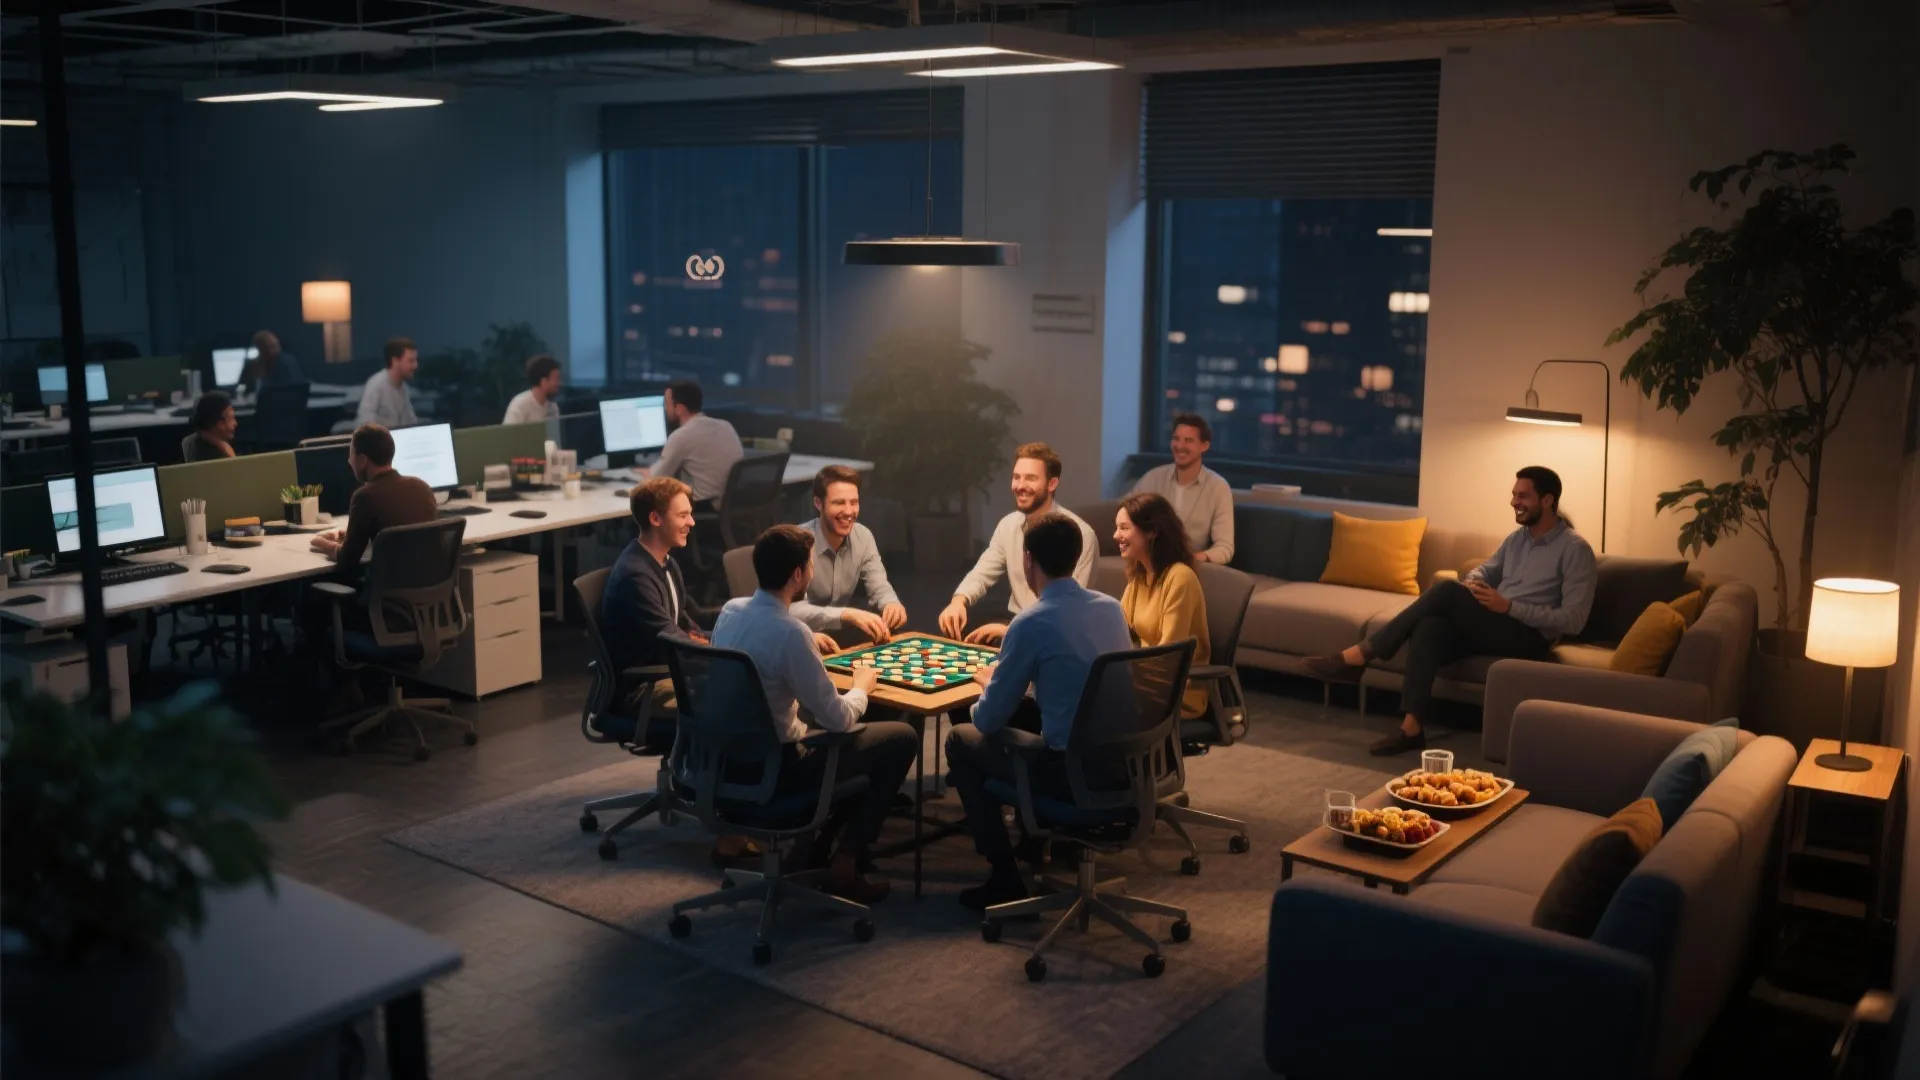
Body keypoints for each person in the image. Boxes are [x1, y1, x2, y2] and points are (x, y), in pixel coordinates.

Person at [1304, 466, 1598, 756]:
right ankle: (1411, 729)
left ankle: (1359, 656)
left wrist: (1509, 606)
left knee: (1445, 589)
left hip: (1530, 637)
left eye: (1523, 496)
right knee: (1430, 626)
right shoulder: (1517, 539)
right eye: (1513, 495)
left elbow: (1574, 621)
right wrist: (1474, 582)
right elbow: (1487, 569)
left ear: (1547, 501)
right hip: (1495, 623)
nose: (1514, 503)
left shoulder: (1575, 550)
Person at [709, 525, 917, 904]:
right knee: (899, 739)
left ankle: (815, 851)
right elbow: (838, 720)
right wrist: (862, 687)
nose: (813, 571)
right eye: (810, 564)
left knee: (843, 745)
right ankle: (845, 861)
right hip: (778, 773)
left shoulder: (729, 612)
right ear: (798, 576)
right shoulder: (791, 632)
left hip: (723, 764)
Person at [944, 513, 1134, 911]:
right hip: (1124, 765)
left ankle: (1004, 876)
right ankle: (1035, 842)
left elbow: (987, 720)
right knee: (1029, 715)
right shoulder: (1111, 609)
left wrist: (989, 685)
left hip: (1069, 775)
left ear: (1028, 560)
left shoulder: (1030, 622)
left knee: (962, 740)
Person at [938, 442, 1098, 646]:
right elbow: (982, 572)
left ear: (1052, 484)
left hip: (1059, 634)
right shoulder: (1008, 525)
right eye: (1016, 477)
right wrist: (958, 601)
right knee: (958, 636)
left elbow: (1066, 611)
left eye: (1030, 478)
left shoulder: (1081, 534)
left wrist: (1010, 630)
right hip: (1017, 622)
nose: (1020, 486)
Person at [600, 476, 711, 704]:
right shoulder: (636, 575)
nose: (692, 522)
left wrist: (729, 639)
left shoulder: (666, 562)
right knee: (735, 692)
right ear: (655, 518)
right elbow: (669, 641)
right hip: (644, 687)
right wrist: (727, 655)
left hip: (668, 672)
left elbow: (685, 625)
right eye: (682, 515)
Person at [1115, 492, 1210, 720]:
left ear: (1152, 531)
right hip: (1144, 681)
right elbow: (1117, 628)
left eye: (1124, 528)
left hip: (1176, 691)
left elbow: (1169, 656)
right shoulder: (1139, 577)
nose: (1116, 535)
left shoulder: (1180, 578)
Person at [791, 465, 907, 650]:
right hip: (798, 640)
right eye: (839, 503)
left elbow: (880, 587)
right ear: (818, 503)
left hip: (840, 640)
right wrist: (846, 614)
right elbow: (789, 610)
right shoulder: (797, 543)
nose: (848, 511)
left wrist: (891, 604)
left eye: (854, 502)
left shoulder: (864, 536)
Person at [309, 424, 439, 573]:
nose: (349, 461)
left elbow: (347, 560)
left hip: (388, 591)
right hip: (429, 587)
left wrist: (322, 543)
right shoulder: (422, 487)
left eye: (351, 455)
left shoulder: (365, 496)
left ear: (363, 460)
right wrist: (350, 536)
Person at [1131, 412, 1234, 564]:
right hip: (1148, 562)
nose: (1180, 446)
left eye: (1188, 440)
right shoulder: (1152, 478)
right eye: (1176, 439)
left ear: (1204, 446)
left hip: (1189, 569)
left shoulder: (1218, 487)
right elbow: (1125, 514)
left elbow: (1225, 548)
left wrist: (1195, 559)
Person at [641, 379, 742, 507]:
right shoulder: (726, 426)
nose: (666, 410)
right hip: (730, 503)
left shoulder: (681, 436)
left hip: (704, 506)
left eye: (667, 405)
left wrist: (644, 473)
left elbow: (654, 481)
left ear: (679, 409)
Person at [356, 337, 420, 429]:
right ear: (395, 361)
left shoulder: (404, 388)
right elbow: (365, 424)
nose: (415, 365)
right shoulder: (376, 384)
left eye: (416, 360)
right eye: (411, 361)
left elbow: (411, 422)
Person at [503, 354, 562, 425]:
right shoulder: (520, 404)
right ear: (543, 382)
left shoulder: (553, 408)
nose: (559, 383)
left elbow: (553, 435)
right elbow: (508, 434)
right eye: (556, 379)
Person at [180, 391, 237, 461]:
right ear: (213, 423)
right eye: (230, 418)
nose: (235, 423)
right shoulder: (215, 457)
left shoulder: (194, 441)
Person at [243, 330, 307, 388]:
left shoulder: (286, 363)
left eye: (275, 347)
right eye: (270, 348)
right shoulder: (251, 366)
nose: (275, 351)